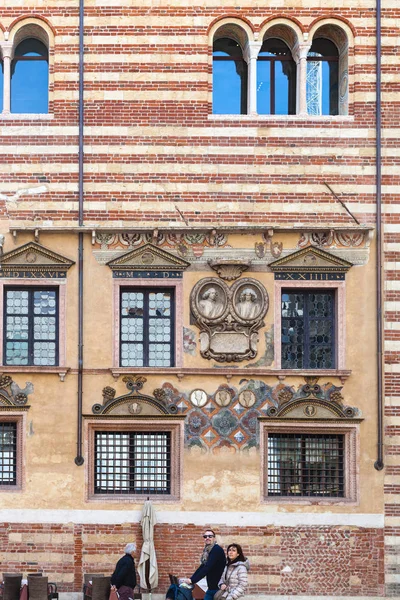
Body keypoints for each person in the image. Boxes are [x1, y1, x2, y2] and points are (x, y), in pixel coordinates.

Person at [182, 529, 226, 600]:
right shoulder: (208, 550)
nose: (207, 538)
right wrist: (191, 579)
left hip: (218, 588)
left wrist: (193, 580)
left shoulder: (216, 550)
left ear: (214, 538)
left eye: (210, 536)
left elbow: (207, 567)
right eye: (205, 536)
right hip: (211, 587)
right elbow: (203, 566)